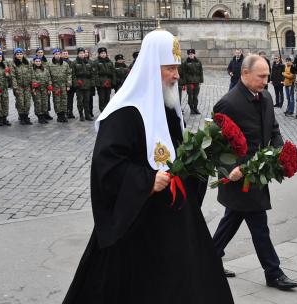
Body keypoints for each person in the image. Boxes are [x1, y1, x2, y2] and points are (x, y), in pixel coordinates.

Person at [62, 29, 234, 304]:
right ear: (152, 69)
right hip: (137, 222)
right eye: (169, 68)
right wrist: (145, 180)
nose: (177, 75)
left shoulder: (168, 107)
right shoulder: (123, 113)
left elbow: (178, 154)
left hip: (174, 215)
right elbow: (107, 167)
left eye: (177, 68)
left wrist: (202, 162)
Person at [211, 55, 297, 291]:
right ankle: (274, 272)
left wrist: (280, 152)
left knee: (233, 218)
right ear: (245, 74)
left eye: (268, 76)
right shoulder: (227, 103)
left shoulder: (267, 96)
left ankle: (209, 259)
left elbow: (273, 129)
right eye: (261, 76)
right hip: (238, 176)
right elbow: (216, 145)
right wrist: (230, 169)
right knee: (259, 224)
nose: (266, 80)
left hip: (257, 173)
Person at [11, 48, 33, 125]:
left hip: (27, 86)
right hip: (19, 87)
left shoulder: (27, 63)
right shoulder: (13, 64)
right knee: (20, 102)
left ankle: (26, 117)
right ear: (15, 55)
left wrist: (32, 85)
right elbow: (13, 76)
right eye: (17, 54)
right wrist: (15, 87)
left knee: (27, 102)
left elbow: (31, 74)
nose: (19, 55)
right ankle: (22, 117)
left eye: (21, 54)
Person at [49, 48, 72, 122]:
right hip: (55, 85)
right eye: (56, 54)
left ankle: (64, 114)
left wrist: (68, 85)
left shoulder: (65, 64)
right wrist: (50, 85)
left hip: (63, 85)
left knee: (64, 100)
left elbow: (69, 74)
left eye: (59, 54)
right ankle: (59, 115)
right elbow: (48, 76)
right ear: (53, 55)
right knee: (57, 100)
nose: (57, 55)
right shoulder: (50, 64)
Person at [72, 47, 93, 121]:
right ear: (78, 54)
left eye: (83, 53)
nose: (82, 54)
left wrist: (91, 84)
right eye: (80, 53)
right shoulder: (74, 62)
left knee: (87, 101)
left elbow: (92, 74)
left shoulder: (89, 62)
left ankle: (87, 115)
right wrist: (76, 83)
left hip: (87, 84)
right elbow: (73, 75)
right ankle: (81, 115)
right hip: (79, 85)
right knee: (80, 101)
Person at [181, 49, 203, 115]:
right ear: (188, 55)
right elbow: (183, 73)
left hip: (196, 82)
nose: (191, 55)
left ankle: (195, 108)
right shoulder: (185, 62)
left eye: (192, 54)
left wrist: (201, 80)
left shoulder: (198, 61)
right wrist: (184, 83)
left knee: (195, 96)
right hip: (189, 82)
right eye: (189, 54)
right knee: (190, 96)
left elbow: (201, 71)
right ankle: (191, 109)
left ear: (194, 54)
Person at [31, 56, 52, 124]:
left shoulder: (45, 70)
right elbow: (32, 79)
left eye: (39, 61)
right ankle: (40, 117)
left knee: (45, 103)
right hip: (37, 89)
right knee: (38, 103)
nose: (38, 63)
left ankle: (44, 116)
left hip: (45, 89)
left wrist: (49, 87)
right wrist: (33, 89)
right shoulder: (32, 70)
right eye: (36, 61)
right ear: (34, 62)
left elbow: (49, 78)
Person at [94, 47, 116, 112]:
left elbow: (113, 72)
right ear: (99, 54)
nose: (103, 54)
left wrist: (113, 82)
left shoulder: (110, 62)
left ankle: (107, 110)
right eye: (101, 53)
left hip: (108, 82)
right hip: (101, 83)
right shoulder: (96, 62)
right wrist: (97, 83)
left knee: (107, 97)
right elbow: (95, 74)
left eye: (104, 53)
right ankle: (102, 110)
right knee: (102, 98)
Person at [35, 47, 53, 121]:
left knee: (47, 100)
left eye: (41, 52)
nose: (40, 54)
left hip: (45, 85)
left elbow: (49, 73)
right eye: (38, 52)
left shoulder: (47, 62)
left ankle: (46, 113)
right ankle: (40, 114)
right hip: (38, 86)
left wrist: (49, 84)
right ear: (36, 53)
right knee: (38, 101)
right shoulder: (33, 61)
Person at [62, 50, 76, 119]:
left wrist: (72, 84)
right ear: (61, 55)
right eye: (64, 53)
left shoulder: (71, 63)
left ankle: (70, 112)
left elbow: (73, 73)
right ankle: (65, 113)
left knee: (70, 99)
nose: (65, 54)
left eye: (66, 53)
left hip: (71, 84)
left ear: (68, 54)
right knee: (64, 100)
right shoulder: (60, 63)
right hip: (63, 85)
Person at [84, 48, 96, 117]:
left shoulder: (91, 62)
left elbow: (94, 73)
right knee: (85, 99)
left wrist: (93, 83)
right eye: (84, 52)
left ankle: (90, 111)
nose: (86, 53)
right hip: (84, 83)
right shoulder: (81, 61)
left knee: (90, 99)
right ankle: (86, 112)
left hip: (91, 83)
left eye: (87, 52)